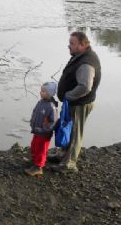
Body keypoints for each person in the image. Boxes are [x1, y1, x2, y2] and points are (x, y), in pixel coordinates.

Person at [54, 31, 101, 173]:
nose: (69, 46)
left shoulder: (86, 63)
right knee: (68, 128)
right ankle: (63, 154)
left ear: (83, 44)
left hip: (80, 103)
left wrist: (68, 95)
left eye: (72, 43)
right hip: (73, 102)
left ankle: (69, 164)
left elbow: (85, 87)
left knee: (75, 132)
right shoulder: (80, 56)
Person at [24, 82, 59, 177]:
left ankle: (38, 167)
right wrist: (32, 122)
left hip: (44, 133)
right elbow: (35, 113)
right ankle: (34, 161)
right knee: (34, 145)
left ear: (50, 93)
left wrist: (44, 129)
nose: (40, 92)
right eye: (41, 90)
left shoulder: (52, 106)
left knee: (41, 149)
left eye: (43, 91)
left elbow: (53, 122)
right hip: (37, 131)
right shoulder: (41, 102)